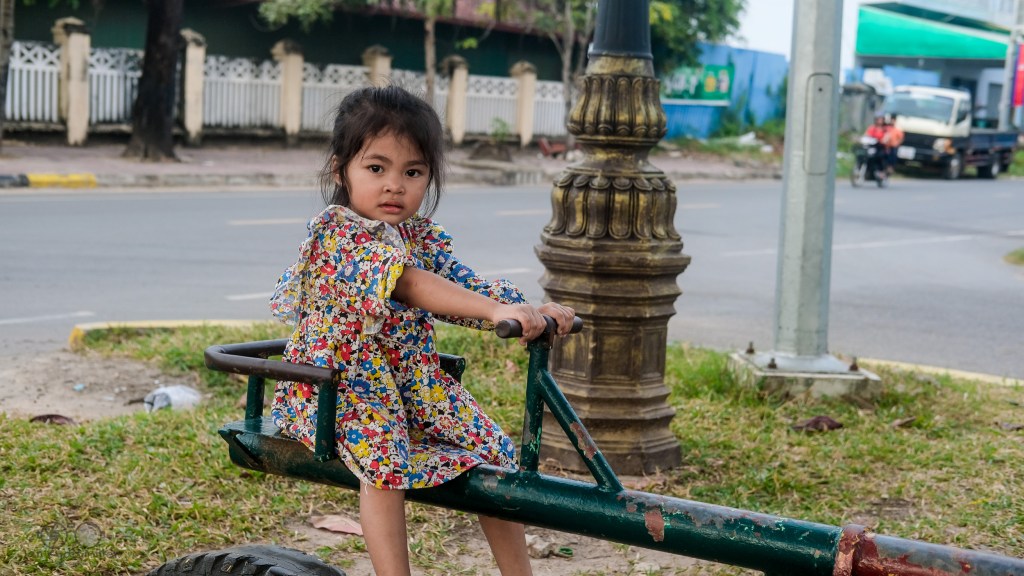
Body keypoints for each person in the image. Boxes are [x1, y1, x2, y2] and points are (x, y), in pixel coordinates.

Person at [268, 85, 575, 576]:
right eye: (377, 168)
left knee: (495, 449)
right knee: (384, 459)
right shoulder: (338, 235)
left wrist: (521, 308)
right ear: (341, 170)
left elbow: (458, 284)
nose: (395, 186)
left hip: (412, 385)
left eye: (413, 172)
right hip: (341, 385)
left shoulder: (417, 236)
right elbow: (409, 284)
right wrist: (493, 310)